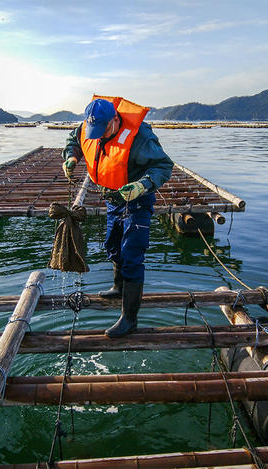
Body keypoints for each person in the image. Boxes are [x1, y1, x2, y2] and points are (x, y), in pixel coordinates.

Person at [62, 96, 173, 338]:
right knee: (112, 244)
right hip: (113, 198)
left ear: (115, 118)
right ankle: (118, 286)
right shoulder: (89, 127)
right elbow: (75, 140)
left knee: (132, 254)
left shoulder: (140, 137)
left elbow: (163, 166)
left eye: (104, 130)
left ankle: (129, 319)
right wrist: (71, 156)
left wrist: (143, 185)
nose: (99, 136)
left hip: (137, 199)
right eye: (95, 131)